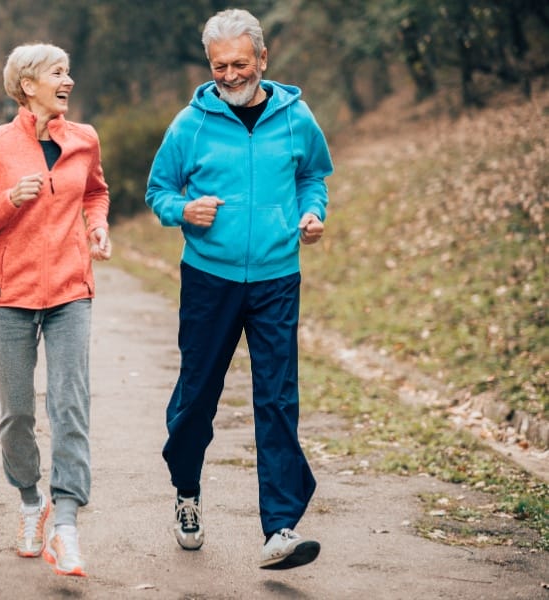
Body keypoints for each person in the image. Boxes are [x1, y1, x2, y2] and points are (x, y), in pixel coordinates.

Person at [145, 8, 332, 570]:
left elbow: (311, 176)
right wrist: (184, 210)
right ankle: (187, 493)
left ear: (263, 60)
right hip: (209, 278)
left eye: (239, 63)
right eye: (219, 65)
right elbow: (159, 193)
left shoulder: (297, 117)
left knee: (276, 399)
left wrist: (312, 214)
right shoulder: (190, 124)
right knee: (198, 394)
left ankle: (280, 526)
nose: (229, 74)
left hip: (277, 276)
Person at [0, 43, 112, 578]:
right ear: (28, 85)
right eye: (57, 73)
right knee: (17, 414)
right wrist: (9, 203)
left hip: (71, 290)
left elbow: (96, 192)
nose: (68, 80)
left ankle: (66, 523)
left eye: (69, 71)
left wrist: (98, 226)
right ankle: (31, 501)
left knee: (70, 405)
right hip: (10, 297)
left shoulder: (83, 139)